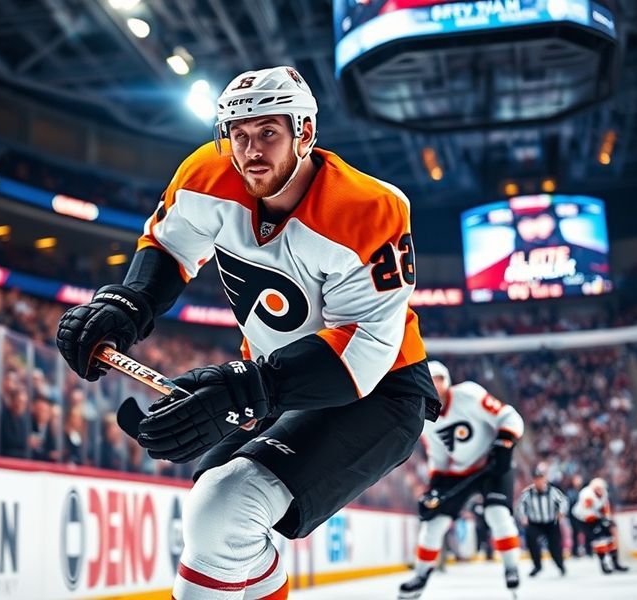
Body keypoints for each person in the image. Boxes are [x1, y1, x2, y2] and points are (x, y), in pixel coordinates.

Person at [57, 65, 440, 599]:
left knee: (224, 506)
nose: (250, 150)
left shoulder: (369, 208)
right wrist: (131, 303)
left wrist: (243, 390)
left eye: (267, 133)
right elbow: (169, 246)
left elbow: (366, 348)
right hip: (275, 381)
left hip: (379, 390)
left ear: (304, 133)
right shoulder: (206, 174)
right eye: (238, 135)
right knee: (215, 519)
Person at [399, 361, 524, 599]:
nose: (435, 385)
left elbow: (508, 416)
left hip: (492, 462)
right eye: (431, 379)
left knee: (497, 514)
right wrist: (434, 489)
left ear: (447, 382)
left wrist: (505, 440)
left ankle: (511, 568)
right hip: (458, 471)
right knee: (434, 524)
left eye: (440, 379)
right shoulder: (425, 419)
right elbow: (438, 456)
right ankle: (421, 574)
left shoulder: (468, 394)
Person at [517, 465, 568, 577]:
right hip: (535, 523)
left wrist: (561, 512)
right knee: (531, 541)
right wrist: (523, 517)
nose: (538, 481)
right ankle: (537, 566)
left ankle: (560, 565)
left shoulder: (553, 491)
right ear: (534, 480)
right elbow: (521, 505)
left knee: (555, 546)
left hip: (551, 523)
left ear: (544, 479)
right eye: (536, 479)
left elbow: (563, 501)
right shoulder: (528, 493)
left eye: (540, 478)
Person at [571, 477, 630, 574]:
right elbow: (588, 513)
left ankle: (615, 562)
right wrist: (602, 520)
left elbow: (605, 508)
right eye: (597, 489)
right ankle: (603, 564)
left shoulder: (604, 493)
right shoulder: (586, 495)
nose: (600, 491)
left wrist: (607, 518)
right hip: (583, 519)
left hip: (596, 517)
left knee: (610, 537)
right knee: (599, 539)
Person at [566, 474, 591, 557]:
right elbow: (568, 504)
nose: (577, 481)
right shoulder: (570, 492)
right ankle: (574, 552)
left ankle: (589, 551)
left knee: (587, 532)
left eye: (579, 479)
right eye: (576, 480)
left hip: (584, 515)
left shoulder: (585, 491)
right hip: (573, 516)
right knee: (575, 533)